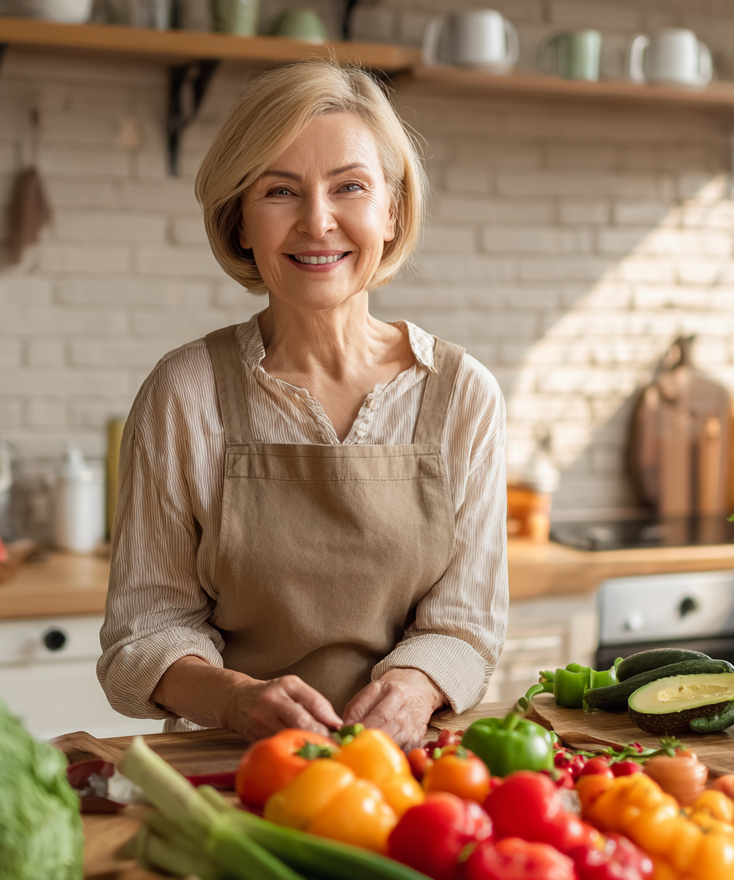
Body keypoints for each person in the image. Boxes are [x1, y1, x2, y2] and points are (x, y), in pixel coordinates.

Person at [98, 61, 508, 750]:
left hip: (405, 771)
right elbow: (143, 634)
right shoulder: (185, 392)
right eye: (280, 191)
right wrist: (237, 700)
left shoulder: (462, 395)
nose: (318, 222)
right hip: (231, 768)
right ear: (240, 221)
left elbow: (465, 624)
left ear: (392, 210)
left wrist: (411, 690)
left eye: (349, 187)